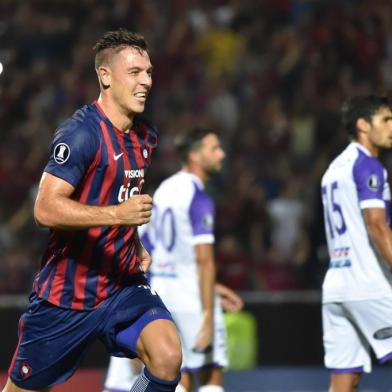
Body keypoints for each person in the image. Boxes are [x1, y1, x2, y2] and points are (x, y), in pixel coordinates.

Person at [3, 29, 182, 392]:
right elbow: (45, 209)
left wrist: (133, 242)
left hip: (122, 284)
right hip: (67, 296)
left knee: (167, 354)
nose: (146, 81)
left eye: (148, 72)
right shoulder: (80, 134)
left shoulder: (145, 136)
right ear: (105, 76)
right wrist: (118, 215)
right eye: (135, 72)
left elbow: (122, 193)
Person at [103, 127, 244, 392]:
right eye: (213, 148)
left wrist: (213, 287)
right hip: (192, 298)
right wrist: (208, 315)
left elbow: (149, 250)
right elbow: (204, 261)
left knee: (174, 375)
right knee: (212, 374)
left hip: (162, 292)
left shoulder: (164, 190)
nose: (221, 154)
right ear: (194, 155)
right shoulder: (199, 197)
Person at [321, 95, 392, 392]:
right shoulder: (368, 165)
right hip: (368, 284)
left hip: (336, 287)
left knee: (343, 382)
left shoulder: (333, 169)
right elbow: (376, 225)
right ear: (363, 125)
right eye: (386, 120)